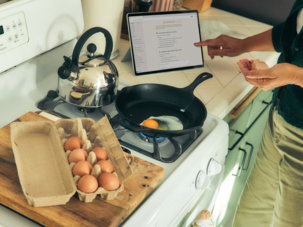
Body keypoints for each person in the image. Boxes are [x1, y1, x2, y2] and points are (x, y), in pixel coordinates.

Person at [194, 1, 303, 227]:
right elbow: (295, 31)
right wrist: (242, 45)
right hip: (282, 117)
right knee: (250, 217)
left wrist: (295, 76)